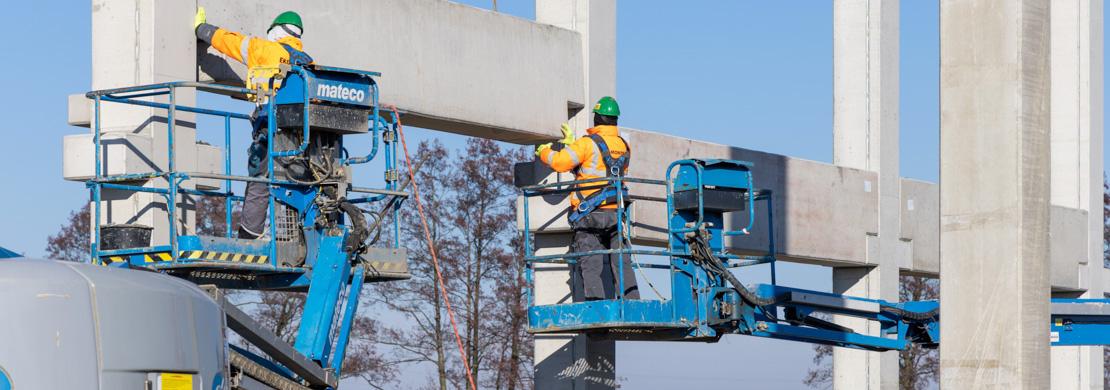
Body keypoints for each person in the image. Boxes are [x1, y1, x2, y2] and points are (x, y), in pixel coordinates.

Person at [193, 8, 314, 239]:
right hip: (303, 133)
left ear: (276, 31)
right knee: (296, 180)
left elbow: (230, 42)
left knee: (260, 178)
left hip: (272, 125)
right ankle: (294, 235)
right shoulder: (308, 61)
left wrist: (202, 29)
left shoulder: (265, 49)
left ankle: (249, 234)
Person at [535, 96, 640, 301]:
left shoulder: (587, 144)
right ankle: (631, 301)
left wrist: (543, 152)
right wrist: (573, 145)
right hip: (615, 213)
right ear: (615, 120)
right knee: (621, 260)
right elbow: (598, 168)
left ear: (597, 118)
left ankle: (595, 303)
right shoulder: (624, 145)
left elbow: (559, 162)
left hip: (590, 214)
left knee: (590, 262)